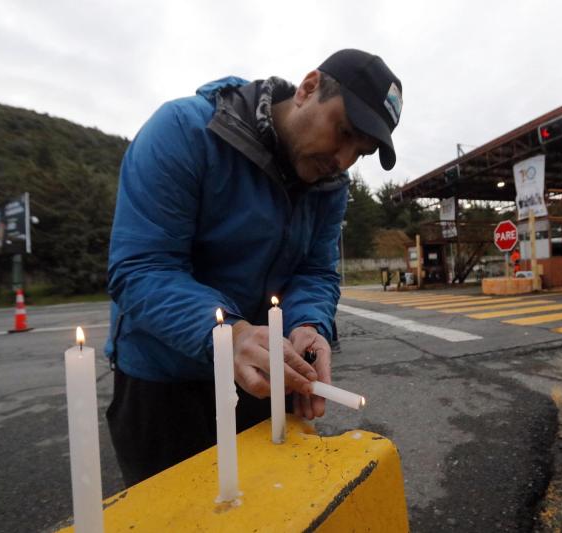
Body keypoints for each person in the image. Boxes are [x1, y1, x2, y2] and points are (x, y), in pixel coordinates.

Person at [103, 49, 403, 487]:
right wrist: (231, 335)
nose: (343, 159)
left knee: (273, 505)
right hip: (164, 381)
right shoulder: (184, 131)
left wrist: (308, 326)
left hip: (263, 376)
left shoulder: (329, 185)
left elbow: (316, 271)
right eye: (343, 132)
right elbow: (140, 267)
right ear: (308, 88)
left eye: (361, 151)